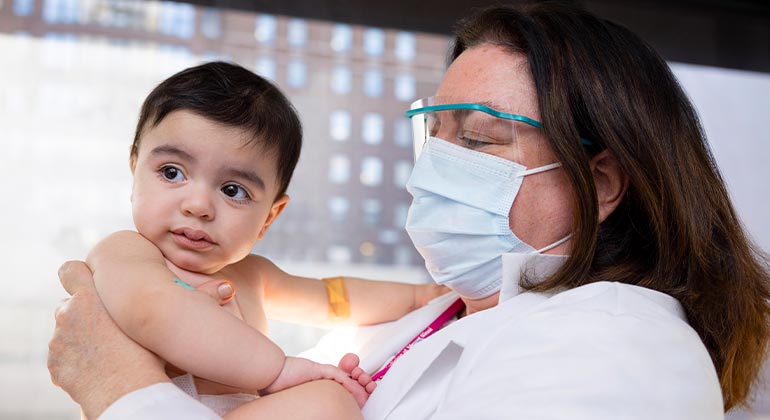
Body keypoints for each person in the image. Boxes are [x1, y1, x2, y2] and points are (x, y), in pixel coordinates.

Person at [49, 2, 770, 419]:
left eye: (479, 138)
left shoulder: (620, 353)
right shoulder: (454, 314)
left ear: (601, 182)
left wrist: (118, 388)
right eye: (437, 133)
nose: (436, 165)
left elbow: (326, 296)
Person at [76, 61, 447, 419]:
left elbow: (332, 298)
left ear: (269, 216)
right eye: (172, 172)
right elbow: (155, 312)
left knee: (326, 402)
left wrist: (419, 297)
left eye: (233, 190)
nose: (198, 206)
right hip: (149, 409)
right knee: (326, 403)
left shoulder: (252, 275)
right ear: (134, 171)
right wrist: (277, 371)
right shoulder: (128, 253)